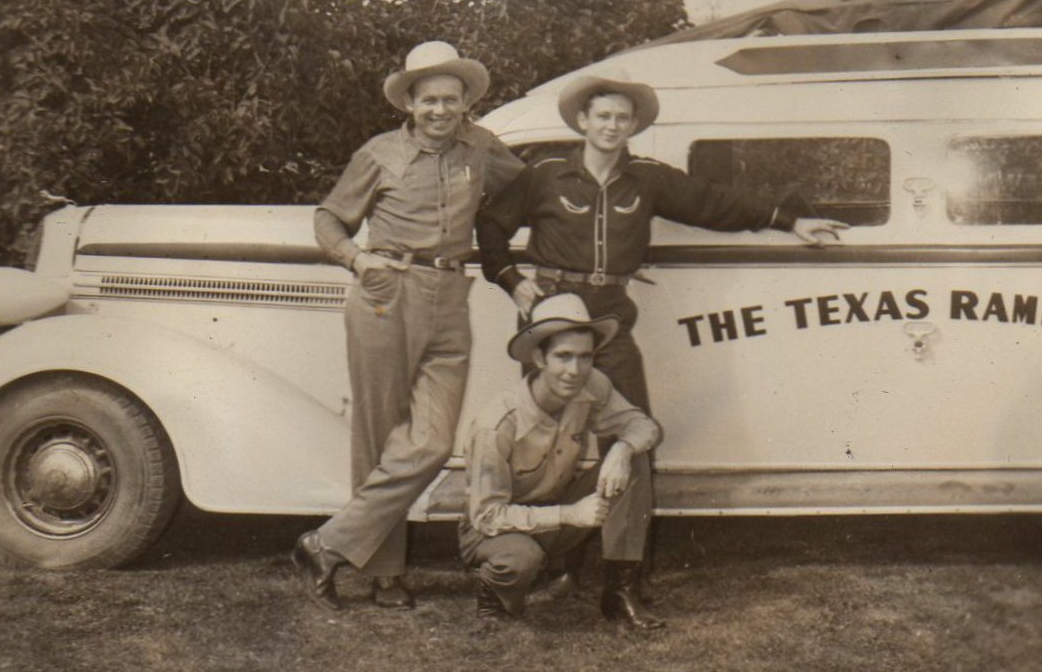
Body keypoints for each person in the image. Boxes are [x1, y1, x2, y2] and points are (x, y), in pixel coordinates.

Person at [475, 73, 848, 599]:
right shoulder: (546, 174)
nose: (611, 126)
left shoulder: (646, 178)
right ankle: (554, 564)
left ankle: (624, 582)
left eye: (621, 118)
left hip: (609, 321)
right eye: (602, 116)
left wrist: (789, 221)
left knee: (631, 438)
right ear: (582, 121)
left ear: (633, 127)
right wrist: (512, 280)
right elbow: (491, 223)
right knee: (545, 446)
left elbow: (713, 203)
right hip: (552, 319)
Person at [292, 41, 524, 610]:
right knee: (379, 434)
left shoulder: (482, 148)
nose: (440, 110)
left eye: (451, 99)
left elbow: (530, 190)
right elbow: (329, 218)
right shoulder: (379, 153)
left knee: (434, 440)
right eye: (429, 100)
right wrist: (357, 259)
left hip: (450, 295)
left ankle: (328, 543)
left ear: (466, 102)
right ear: (410, 104)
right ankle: (384, 573)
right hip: (386, 292)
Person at [462, 292, 664, 626]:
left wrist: (622, 449)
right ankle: (492, 593)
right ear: (539, 358)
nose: (575, 370)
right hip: (494, 529)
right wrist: (570, 513)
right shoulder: (497, 423)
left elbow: (643, 426)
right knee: (520, 559)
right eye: (563, 356)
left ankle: (619, 593)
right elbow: (487, 515)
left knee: (635, 464)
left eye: (585, 357)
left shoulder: (592, 384)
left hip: (557, 514)